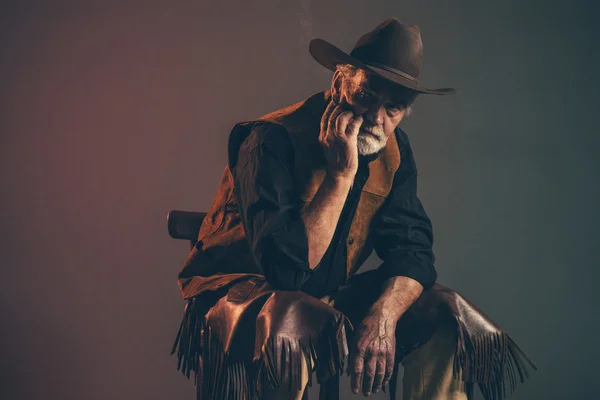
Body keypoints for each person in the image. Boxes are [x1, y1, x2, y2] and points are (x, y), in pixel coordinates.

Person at [172, 18, 535, 400]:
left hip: (327, 290)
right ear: (338, 82)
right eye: (365, 97)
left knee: (446, 314)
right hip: (245, 291)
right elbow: (286, 274)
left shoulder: (394, 151)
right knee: (291, 315)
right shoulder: (269, 140)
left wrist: (384, 316)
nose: (376, 119)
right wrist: (341, 175)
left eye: (393, 108)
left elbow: (413, 253)